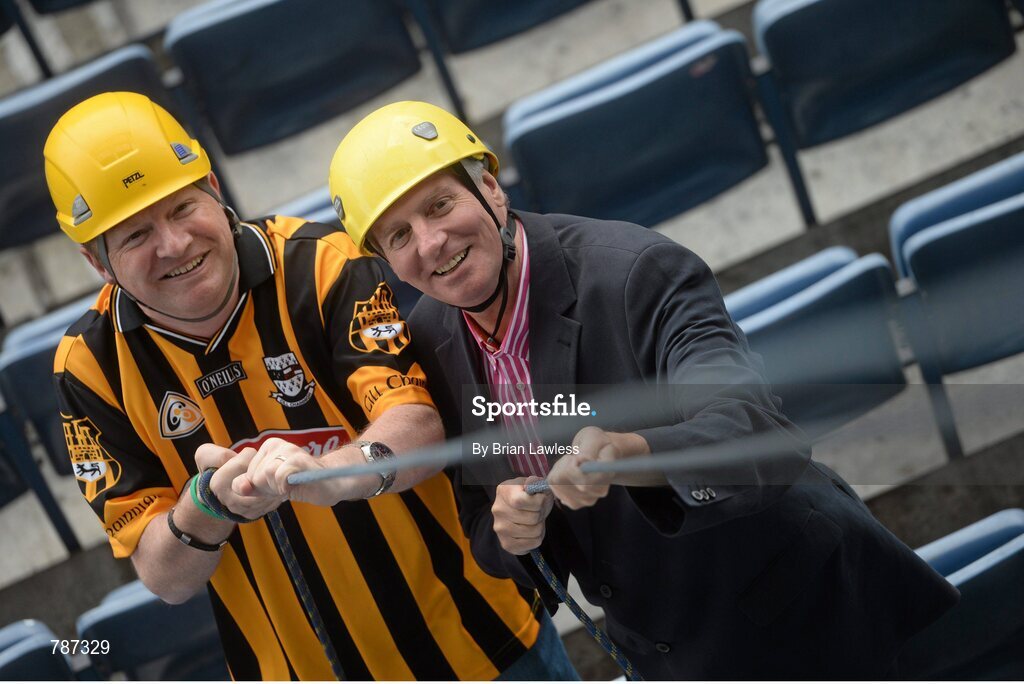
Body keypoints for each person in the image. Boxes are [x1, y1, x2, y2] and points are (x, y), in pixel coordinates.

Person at [326, 100, 962, 680]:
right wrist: (512, 531)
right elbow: (485, 531)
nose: (431, 243)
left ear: (489, 188)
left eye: (439, 206)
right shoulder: (427, 340)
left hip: (816, 622)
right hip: (665, 653)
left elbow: (759, 435)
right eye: (399, 236)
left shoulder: (636, 269)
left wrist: (632, 453)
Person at [46, 92, 579, 681]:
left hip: (482, 640)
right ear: (98, 263)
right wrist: (206, 506)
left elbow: (419, 422)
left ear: (216, 192)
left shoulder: (322, 262)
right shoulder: (86, 367)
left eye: (180, 208)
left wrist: (339, 472)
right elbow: (166, 578)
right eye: (134, 234)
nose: (173, 244)